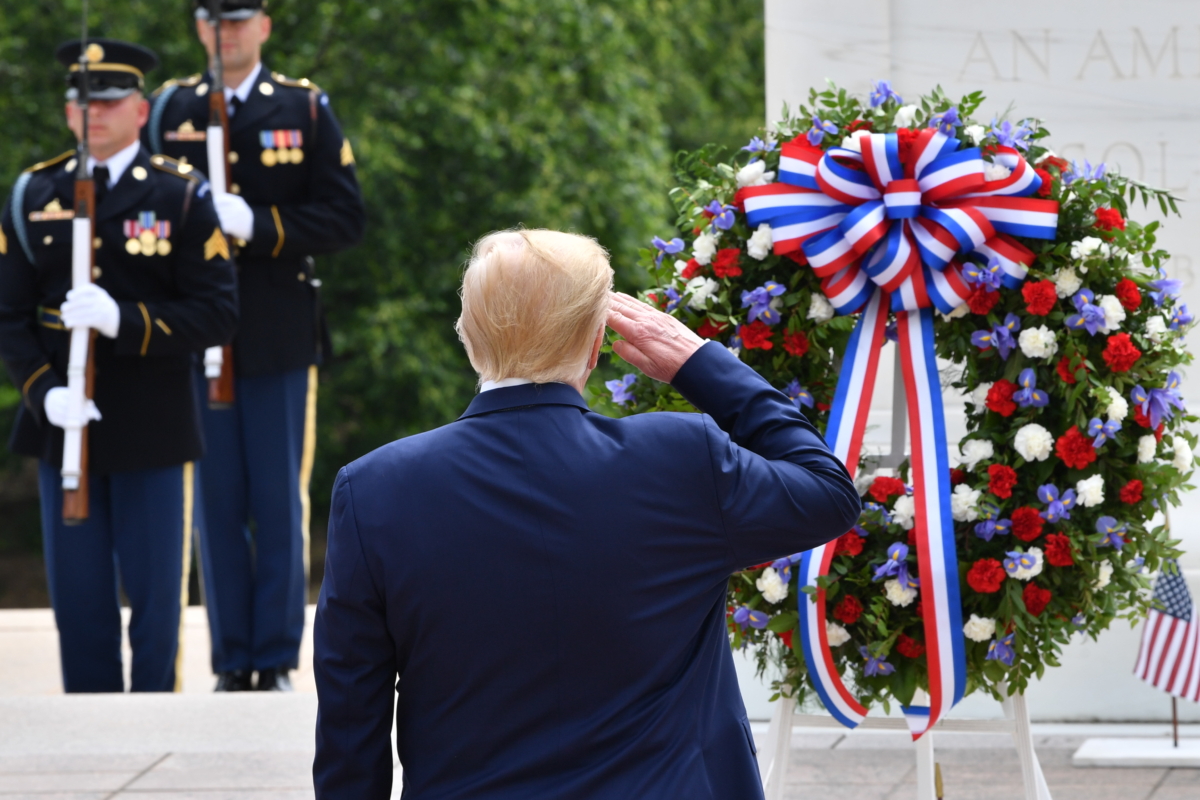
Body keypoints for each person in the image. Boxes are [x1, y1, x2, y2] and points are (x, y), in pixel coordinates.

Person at [312, 229, 861, 798]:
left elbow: (352, 729)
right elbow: (829, 491)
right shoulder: (680, 459)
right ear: (598, 343)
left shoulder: (374, 490)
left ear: (467, 336)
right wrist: (700, 364)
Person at [0, 39, 238, 693]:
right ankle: (89, 726)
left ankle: (154, 723)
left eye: (107, 102)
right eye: (81, 102)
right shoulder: (33, 194)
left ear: (140, 110)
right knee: (78, 604)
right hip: (63, 426)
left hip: (153, 424)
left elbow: (218, 314)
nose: (92, 114)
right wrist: (44, 393)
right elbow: (9, 316)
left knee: (158, 603)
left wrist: (122, 321)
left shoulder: (181, 196)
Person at [144, 0, 365, 692]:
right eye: (212, 18)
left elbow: (343, 215)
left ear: (263, 26)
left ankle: (272, 657)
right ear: (197, 27)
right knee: (214, 501)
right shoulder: (167, 109)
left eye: (238, 18)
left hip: (273, 333)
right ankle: (230, 657)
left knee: (276, 497)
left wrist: (259, 223)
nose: (226, 32)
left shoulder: (300, 108)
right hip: (194, 336)